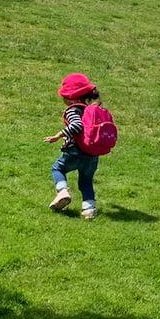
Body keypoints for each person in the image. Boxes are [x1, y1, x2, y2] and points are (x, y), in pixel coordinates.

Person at [45, 73, 102, 220]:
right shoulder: (92, 110)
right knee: (86, 181)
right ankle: (89, 210)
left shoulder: (73, 110)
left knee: (57, 168)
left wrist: (58, 135)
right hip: (92, 153)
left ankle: (63, 192)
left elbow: (77, 125)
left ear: (71, 97)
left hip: (75, 151)